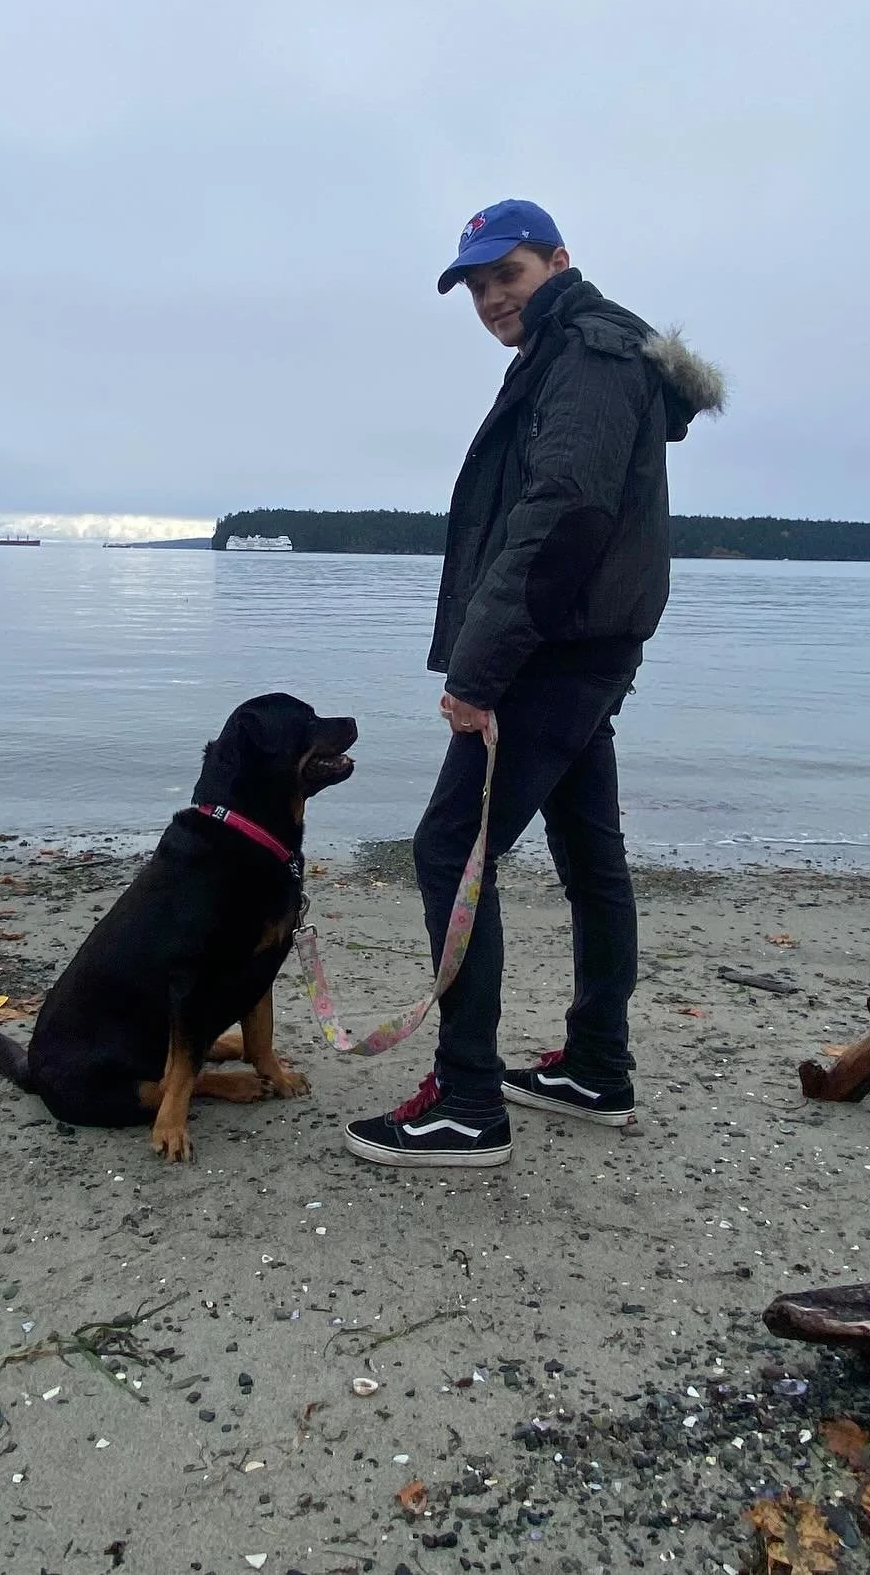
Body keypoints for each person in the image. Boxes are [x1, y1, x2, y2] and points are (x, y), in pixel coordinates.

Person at [345, 199, 723, 1167]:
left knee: (446, 848)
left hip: (553, 653)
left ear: (558, 260)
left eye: (505, 275)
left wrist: (480, 670)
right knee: (589, 848)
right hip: (584, 647)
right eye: (474, 285)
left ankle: (468, 1100)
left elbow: (564, 512)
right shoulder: (572, 351)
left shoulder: (589, 355)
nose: (489, 298)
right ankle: (597, 1064)